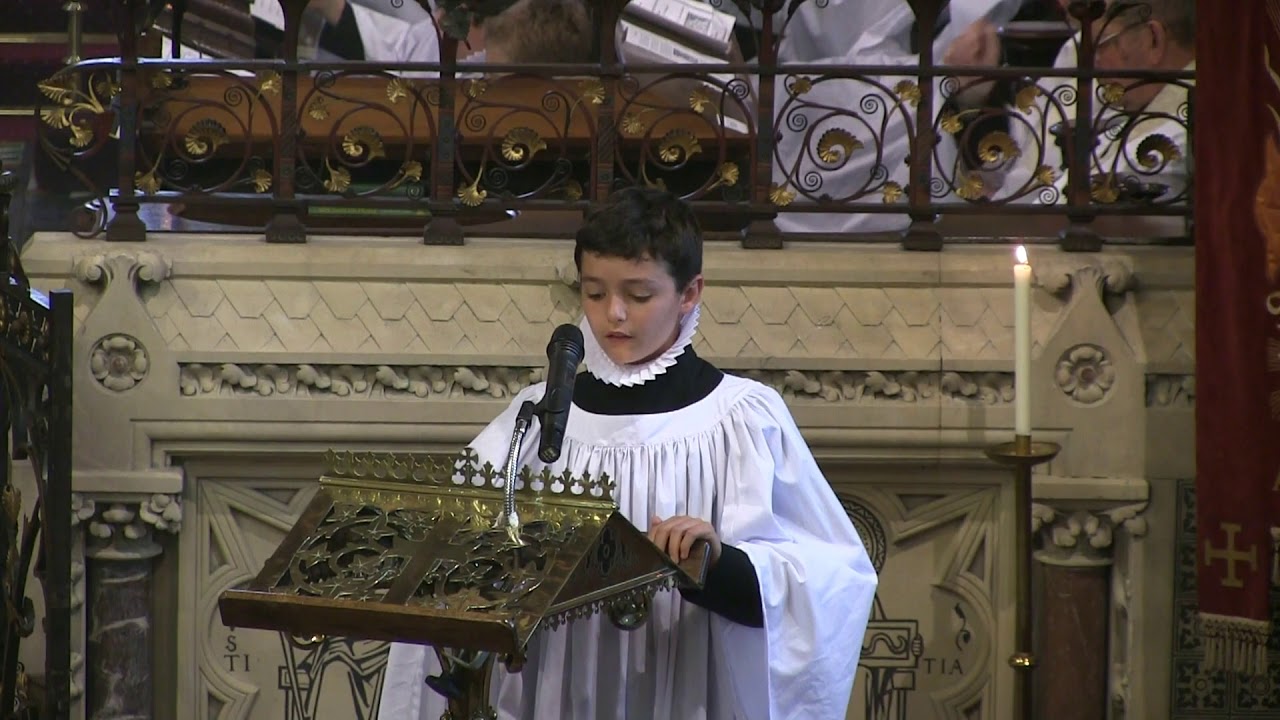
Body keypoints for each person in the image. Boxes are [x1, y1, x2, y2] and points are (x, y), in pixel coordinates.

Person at [377, 187, 878, 720]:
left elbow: (828, 582)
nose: (613, 314)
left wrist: (717, 564)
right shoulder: (534, 418)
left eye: (638, 295)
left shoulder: (742, 418)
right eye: (594, 293)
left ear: (689, 293)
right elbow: (444, 556)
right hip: (555, 685)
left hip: (685, 682)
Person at [942, 0, 1194, 204]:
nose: (1093, 64)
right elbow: (1025, 146)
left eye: (1100, 46)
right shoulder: (1098, 62)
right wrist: (980, 97)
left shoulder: (1177, 140)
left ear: (1153, 40)